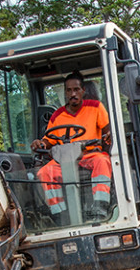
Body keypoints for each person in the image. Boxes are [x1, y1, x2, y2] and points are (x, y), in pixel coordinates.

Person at [30, 71, 114, 222]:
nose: (72, 94)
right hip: (64, 159)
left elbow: (108, 132)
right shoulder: (57, 115)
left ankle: (100, 206)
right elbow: (48, 140)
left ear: (83, 91)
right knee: (45, 172)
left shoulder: (96, 107)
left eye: (76, 89)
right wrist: (40, 143)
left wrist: (108, 137)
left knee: (103, 161)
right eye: (68, 90)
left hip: (89, 154)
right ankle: (60, 213)